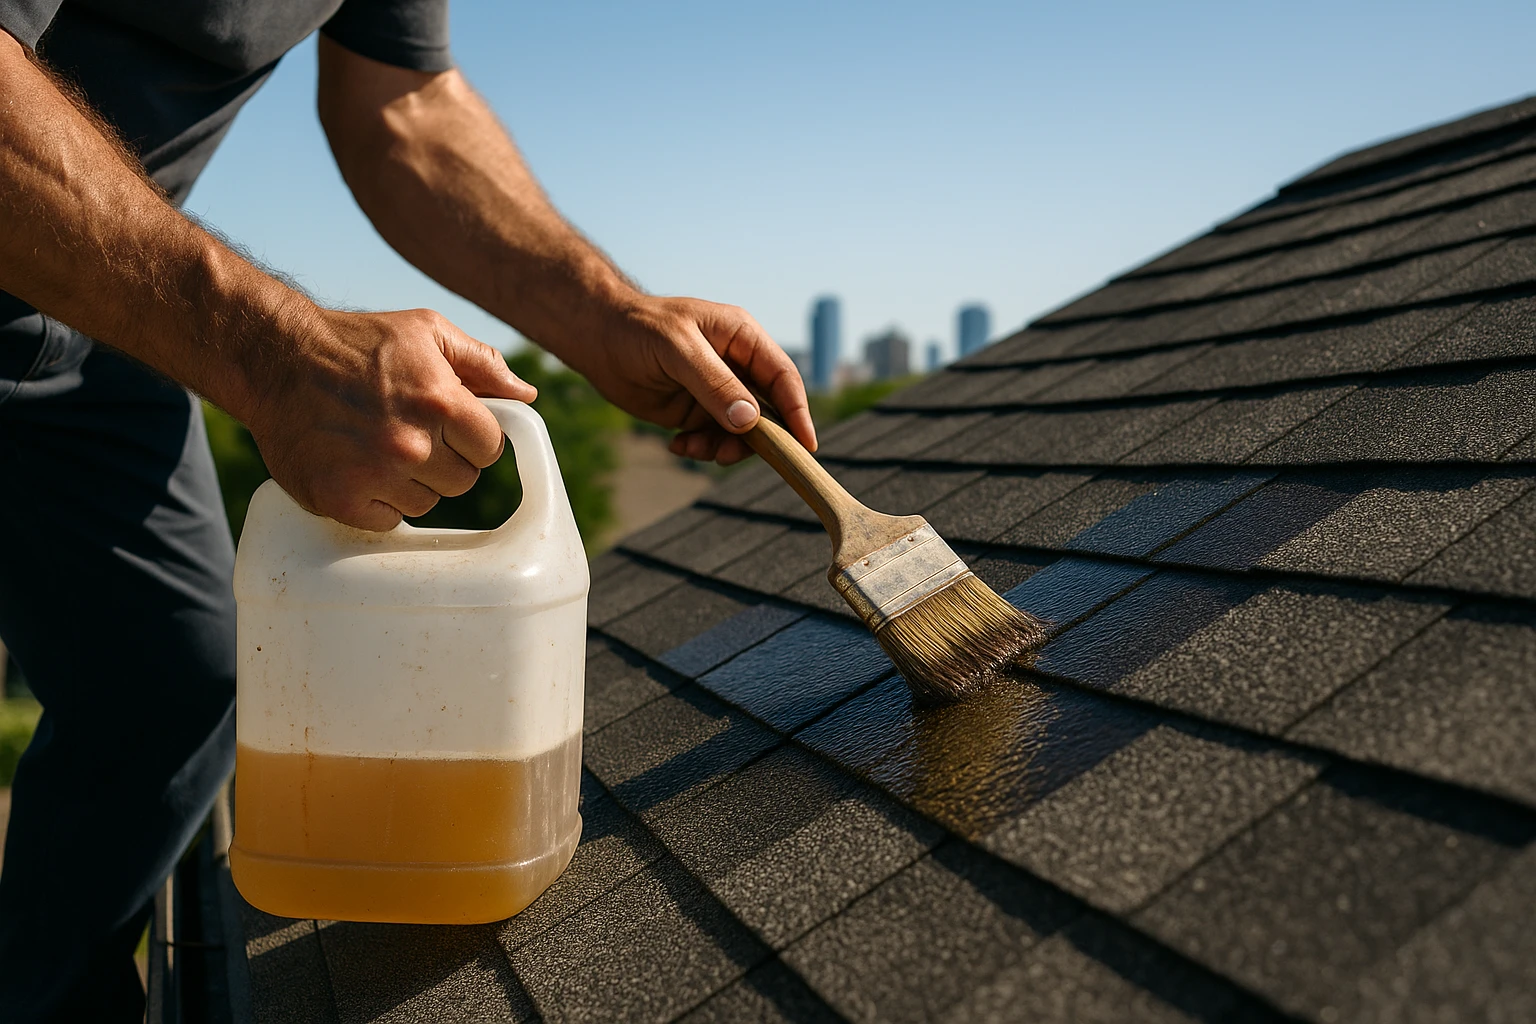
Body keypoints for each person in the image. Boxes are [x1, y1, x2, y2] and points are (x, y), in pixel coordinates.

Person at [0, 0, 817, 1017]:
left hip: (83, 315)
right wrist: (271, 348)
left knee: (171, 681)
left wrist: (604, 316)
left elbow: (405, 100)